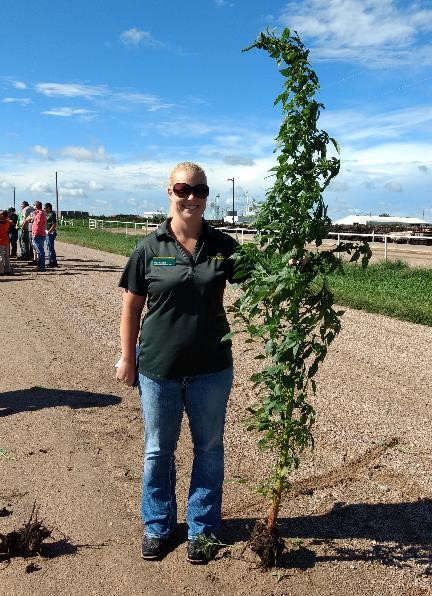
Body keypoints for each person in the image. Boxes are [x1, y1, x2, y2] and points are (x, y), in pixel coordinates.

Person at [116, 162, 241, 564]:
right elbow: (131, 309)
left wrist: (291, 269)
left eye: (199, 190)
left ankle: (203, 529)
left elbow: (263, 284)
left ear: (207, 195)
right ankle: (158, 525)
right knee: (158, 450)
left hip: (212, 369)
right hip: (158, 369)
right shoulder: (149, 247)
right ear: (169, 192)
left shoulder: (224, 246)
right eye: (183, 189)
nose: (191, 197)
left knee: (208, 448)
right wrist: (128, 358)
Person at [24, 201, 46, 272]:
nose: (33, 207)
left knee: (40, 251)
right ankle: (40, 265)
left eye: (33, 205)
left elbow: (38, 225)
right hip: (38, 234)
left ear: (36, 206)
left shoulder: (40, 214)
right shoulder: (38, 213)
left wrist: (35, 234)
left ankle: (41, 266)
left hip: (38, 235)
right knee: (39, 251)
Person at [44, 202, 58, 267]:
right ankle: (52, 261)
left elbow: (54, 224)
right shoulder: (48, 214)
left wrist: (49, 232)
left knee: (50, 247)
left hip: (51, 233)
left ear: (48, 208)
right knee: (49, 247)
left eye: (45, 208)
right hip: (47, 232)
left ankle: (52, 262)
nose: (44, 209)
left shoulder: (52, 214)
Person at [0, 210, 13, 275]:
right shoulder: (8, 222)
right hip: (6, 241)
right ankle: (7, 270)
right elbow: (11, 222)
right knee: (7, 256)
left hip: (1, 241)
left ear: (2, 215)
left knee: (1, 256)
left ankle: (1, 271)